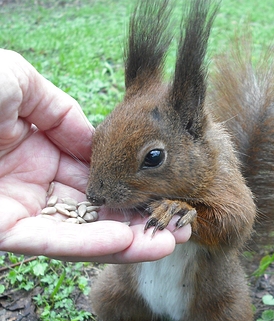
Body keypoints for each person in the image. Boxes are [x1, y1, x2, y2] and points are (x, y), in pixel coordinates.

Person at [0, 49, 191, 263]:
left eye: (152, 158)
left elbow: (231, 226)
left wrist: (188, 210)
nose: (94, 193)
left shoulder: (210, 169)